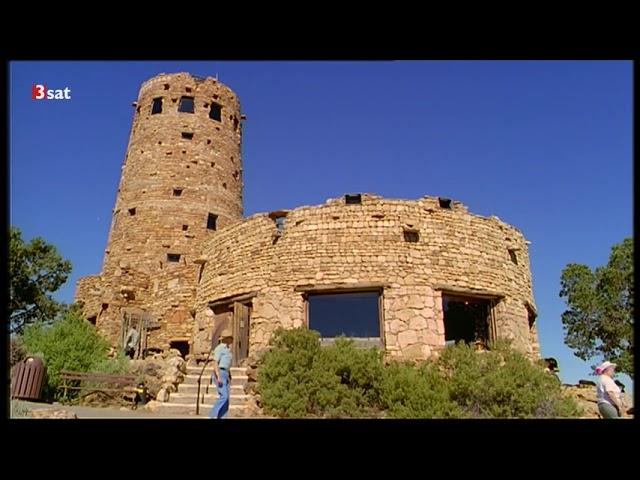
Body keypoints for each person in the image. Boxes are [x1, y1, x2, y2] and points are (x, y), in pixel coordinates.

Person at [209, 333, 233, 419]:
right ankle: (211, 414)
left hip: (226, 373)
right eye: (230, 338)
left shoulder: (228, 350)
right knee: (224, 396)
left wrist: (229, 376)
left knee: (227, 400)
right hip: (220, 372)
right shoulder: (220, 348)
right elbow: (215, 362)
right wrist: (218, 375)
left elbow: (227, 363)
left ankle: (222, 417)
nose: (231, 341)